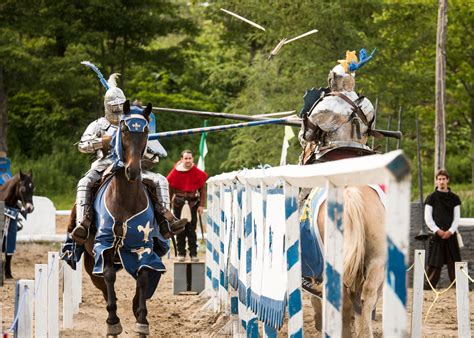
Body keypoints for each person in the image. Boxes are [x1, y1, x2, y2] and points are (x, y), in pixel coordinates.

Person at [71, 74, 186, 244]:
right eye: (114, 107)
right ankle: (83, 224)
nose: (117, 111)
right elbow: (82, 145)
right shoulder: (99, 125)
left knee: (160, 180)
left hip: (131, 163)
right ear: (107, 106)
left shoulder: (135, 124)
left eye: (120, 107)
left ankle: (166, 221)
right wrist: (102, 142)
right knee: (84, 182)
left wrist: (147, 151)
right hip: (105, 165)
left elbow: (150, 153)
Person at [299, 48, 377, 165]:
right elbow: (368, 131)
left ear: (333, 80)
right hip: (362, 154)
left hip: (332, 153)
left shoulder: (326, 104)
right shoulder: (367, 104)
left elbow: (307, 137)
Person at [167, 150, 208, 262]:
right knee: (180, 229)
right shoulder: (175, 172)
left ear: (192, 159)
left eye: (190, 158)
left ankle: (193, 254)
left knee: (191, 230)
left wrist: (201, 205)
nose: (188, 160)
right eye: (186, 158)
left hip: (192, 203)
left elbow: (203, 189)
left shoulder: (196, 172)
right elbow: (170, 188)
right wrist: (168, 205)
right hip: (178, 204)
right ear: (182, 159)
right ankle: (181, 254)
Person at [424, 169, 462, 289]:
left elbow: (457, 218)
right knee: (434, 264)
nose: (441, 181)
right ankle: (428, 286)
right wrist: (437, 230)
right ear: (436, 181)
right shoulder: (431, 198)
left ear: (447, 180)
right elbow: (428, 217)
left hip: (451, 236)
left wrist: (450, 231)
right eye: (439, 179)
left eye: (443, 179)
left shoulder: (455, 198)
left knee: (455, 263)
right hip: (437, 236)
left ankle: (459, 285)